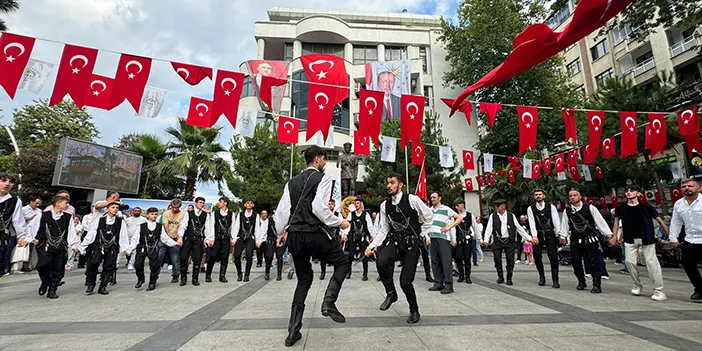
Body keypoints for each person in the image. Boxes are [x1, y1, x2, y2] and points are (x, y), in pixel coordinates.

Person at [274, 146, 351, 347]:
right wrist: (338, 222)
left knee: (304, 279)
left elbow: (282, 213)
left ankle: (293, 331)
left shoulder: (290, 182)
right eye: (324, 159)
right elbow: (319, 208)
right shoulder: (322, 178)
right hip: (313, 233)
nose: (325, 163)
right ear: (317, 159)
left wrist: (281, 234)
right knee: (342, 262)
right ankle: (329, 302)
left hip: (295, 236)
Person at [366, 172, 432, 324]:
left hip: (411, 245)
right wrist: (372, 246)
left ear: (400, 185)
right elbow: (384, 229)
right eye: (388, 183)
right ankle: (391, 293)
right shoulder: (384, 205)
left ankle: (414, 310)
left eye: (392, 182)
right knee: (381, 262)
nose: (389, 186)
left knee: (405, 282)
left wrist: (422, 233)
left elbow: (428, 216)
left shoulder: (412, 199)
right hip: (395, 242)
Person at [611, 185, 668, 301]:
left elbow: (660, 221)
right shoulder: (621, 208)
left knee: (651, 263)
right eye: (627, 191)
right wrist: (614, 236)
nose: (629, 192)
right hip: (629, 238)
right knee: (629, 262)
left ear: (638, 193)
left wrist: (670, 235)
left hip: (647, 237)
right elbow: (616, 223)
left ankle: (659, 290)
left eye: (632, 190)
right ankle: (637, 284)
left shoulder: (646, 207)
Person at [23, 195, 78, 298]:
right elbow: (31, 227)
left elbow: (71, 231)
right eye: (66, 203)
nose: (68, 205)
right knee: (42, 265)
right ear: (58, 203)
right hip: (44, 244)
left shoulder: (67, 217)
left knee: (58, 268)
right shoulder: (42, 215)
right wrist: (29, 239)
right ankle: (45, 281)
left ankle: (52, 289)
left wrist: (74, 244)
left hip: (60, 245)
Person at [560, 190, 613, 293]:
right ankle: (581, 281)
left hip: (590, 239)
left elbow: (600, 221)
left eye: (575, 195)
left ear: (580, 197)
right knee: (575, 261)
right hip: (575, 239)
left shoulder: (590, 208)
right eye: (570, 196)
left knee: (593, 262)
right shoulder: (568, 211)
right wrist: (563, 236)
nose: (572, 197)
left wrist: (609, 235)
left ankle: (596, 284)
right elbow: (565, 224)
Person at [79, 202, 129, 295]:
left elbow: (123, 236)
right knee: (93, 263)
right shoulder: (99, 220)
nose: (115, 209)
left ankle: (103, 286)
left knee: (108, 266)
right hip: (99, 246)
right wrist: (82, 246)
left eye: (117, 207)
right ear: (107, 209)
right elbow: (91, 234)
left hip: (113, 247)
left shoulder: (121, 222)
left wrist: (125, 249)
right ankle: (91, 284)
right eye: (113, 207)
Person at [482, 199, 535, 285]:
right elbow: (489, 228)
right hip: (498, 241)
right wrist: (486, 240)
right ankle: (500, 276)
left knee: (510, 260)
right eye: (496, 207)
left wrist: (528, 238)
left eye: (498, 206)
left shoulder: (511, 216)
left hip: (509, 241)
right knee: (497, 259)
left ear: (503, 207)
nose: (496, 208)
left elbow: (519, 228)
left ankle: (509, 277)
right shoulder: (493, 216)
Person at [667, 178, 702, 302]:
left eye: (690, 186)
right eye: (684, 186)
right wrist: (673, 238)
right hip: (690, 239)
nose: (687, 188)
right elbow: (676, 222)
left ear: (699, 188)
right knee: (687, 263)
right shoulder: (679, 204)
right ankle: (699, 288)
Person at [526, 189, 565, 288]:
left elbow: (556, 221)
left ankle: (555, 279)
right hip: (538, 234)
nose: (538, 196)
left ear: (543, 196)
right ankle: (541, 276)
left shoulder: (551, 207)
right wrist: (534, 236)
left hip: (549, 233)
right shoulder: (531, 208)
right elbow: (531, 223)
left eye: (540, 194)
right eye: (536, 195)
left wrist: (558, 234)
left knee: (553, 256)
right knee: (537, 255)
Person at [427, 191, 461, 294]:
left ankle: (449, 285)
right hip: (433, 238)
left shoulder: (446, 209)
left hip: (443, 239)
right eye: (431, 197)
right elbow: (425, 223)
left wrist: (448, 227)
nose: (432, 199)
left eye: (434, 197)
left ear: (439, 198)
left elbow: (459, 218)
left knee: (446, 263)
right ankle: (438, 283)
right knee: (435, 262)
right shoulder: (429, 211)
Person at [127, 207, 162, 291]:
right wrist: (130, 249)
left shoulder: (160, 226)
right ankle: (140, 279)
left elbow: (164, 238)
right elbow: (135, 238)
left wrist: (175, 244)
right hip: (142, 247)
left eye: (156, 214)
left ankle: (152, 282)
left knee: (154, 266)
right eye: (152, 214)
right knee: (138, 264)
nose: (154, 216)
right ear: (147, 215)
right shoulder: (142, 226)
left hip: (153, 248)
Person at [179, 197, 209, 286]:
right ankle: (183, 278)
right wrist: (180, 237)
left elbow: (207, 228)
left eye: (203, 203)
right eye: (200, 202)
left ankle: (195, 279)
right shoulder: (189, 213)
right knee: (184, 258)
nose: (202, 204)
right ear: (196, 203)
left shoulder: (205, 215)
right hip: (188, 238)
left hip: (199, 239)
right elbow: (183, 226)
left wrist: (206, 239)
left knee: (197, 259)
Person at [0, 173, 25, 278]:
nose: (7, 184)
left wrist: (21, 236)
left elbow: (17, 220)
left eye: (10, 182)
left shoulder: (15, 200)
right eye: (3, 181)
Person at [205, 197, 234, 283]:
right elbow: (211, 226)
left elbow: (233, 227)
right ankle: (208, 275)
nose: (218, 203)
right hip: (216, 238)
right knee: (212, 256)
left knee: (225, 257)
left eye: (220, 202)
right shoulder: (215, 213)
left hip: (226, 238)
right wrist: (211, 238)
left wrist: (233, 238)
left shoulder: (231, 214)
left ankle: (222, 276)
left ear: (225, 203)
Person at [453, 198, 481, 284]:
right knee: (458, 257)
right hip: (458, 239)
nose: (457, 207)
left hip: (467, 239)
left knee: (467, 257)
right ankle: (461, 274)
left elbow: (475, 226)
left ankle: (468, 276)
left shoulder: (470, 215)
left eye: (458, 205)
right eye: (456, 206)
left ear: (462, 204)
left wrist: (479, 238)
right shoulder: (454, 215)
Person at [346, 198, 374, 281]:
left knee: (364, 255)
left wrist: (372, 236)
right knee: (350, 255)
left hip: (362, 236)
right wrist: (344, 234)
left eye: (358, 203)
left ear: (361, 204)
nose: (356, 205)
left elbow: (370, 226)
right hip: (353, 236)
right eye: (355, 203)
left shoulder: (366, 215)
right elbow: (347, 224)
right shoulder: (351, 214)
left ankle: (365, 274)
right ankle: (348, 271)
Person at [234, 199, 262, 282]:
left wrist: (258, 240)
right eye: (247, 203)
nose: (249, 204)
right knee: (236, 255)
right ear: (245, 205)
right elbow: (236, 226)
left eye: (251, 203)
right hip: (240, 237)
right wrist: (234, 238)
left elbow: (257, 228)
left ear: (253, 205)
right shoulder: (240, 215)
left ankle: (247, 274)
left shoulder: (256, 215)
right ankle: (239, 273)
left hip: (250, 238)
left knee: (249, 256)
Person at [159, 199, 185, 283]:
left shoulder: (182, 214)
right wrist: (168, 235)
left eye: (177, 208)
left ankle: (175, 275)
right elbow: (165, 224)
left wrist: (179, 237)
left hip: (175, 238)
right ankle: (155, 274)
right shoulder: (166, 213)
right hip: (165, 238)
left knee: (175, 258)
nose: (175, 209)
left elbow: (181, 226)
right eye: (173, 207)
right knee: (160, 255)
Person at [320, 199, 344, 280]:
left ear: (334, 205)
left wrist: (343, 234)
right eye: (329, 204)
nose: (330, 205)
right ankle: (323, 272)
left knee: (335, 256)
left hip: (335, 238)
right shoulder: (323, 215)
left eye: (332, 204)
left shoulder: (338, 214)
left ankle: (335, 273)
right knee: (323, 256)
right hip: (325, 237)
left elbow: (341, 225)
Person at [19, 194, 42, 273]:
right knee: (23, 248)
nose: (37, 205)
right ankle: (19, 265)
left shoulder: (39, 211)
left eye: (39, 204)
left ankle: (28, 265)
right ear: (31, 202)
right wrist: (31, 218)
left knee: (31, 250)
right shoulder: (23, 209)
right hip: (24, 231)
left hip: (33, 232)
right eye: (36, 203)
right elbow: (19, 220)